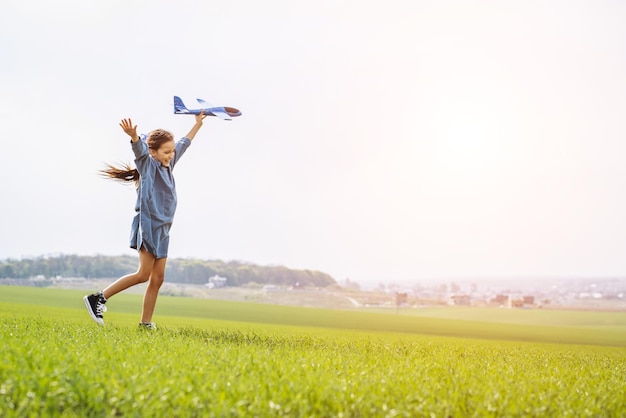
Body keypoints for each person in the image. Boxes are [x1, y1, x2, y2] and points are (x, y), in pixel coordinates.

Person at [84, 112, 207, 329]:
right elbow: (140, 152)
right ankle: (98, 298)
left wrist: (197, 124)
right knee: (143, 274)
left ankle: (145, 324)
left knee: (157, 278)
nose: (171, 155)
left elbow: (184, 144)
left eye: (171, 151)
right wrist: (133, 137)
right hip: (148, 225)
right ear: (153, 151)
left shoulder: (169, 163)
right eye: (166, 152)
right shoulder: (148, 165)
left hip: (163, 229)